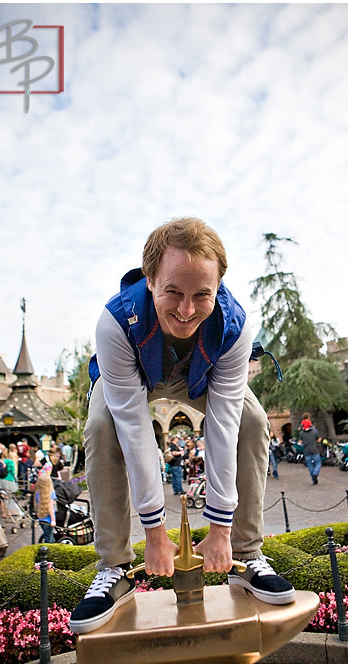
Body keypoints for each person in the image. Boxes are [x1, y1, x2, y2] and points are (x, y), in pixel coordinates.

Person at [69, 216, 295, 635]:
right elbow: (135, 430)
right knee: (101, 425)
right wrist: (155, 534)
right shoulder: (115, 323)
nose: (186, 310)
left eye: (201, 295)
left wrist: (220, 529)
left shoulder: (235, 326)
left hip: (200, 379)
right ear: (151, 279)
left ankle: (245, 552)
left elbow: (224, 425)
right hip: (136, 375)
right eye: (173, 291)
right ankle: (113, 568)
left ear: (219, 287)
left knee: (252, 417)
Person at [35, 465, 57, 543]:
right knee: (49, 539)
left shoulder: (37, 493)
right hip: (48, 519)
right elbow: (50, 507)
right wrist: (53, 520)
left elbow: (37, 505)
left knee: (48, 535)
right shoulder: (51, 493)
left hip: (41, 518)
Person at [299, 414, 321, 485]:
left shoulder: (301, 433)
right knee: (318, 463)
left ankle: (314, 480)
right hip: (314, 449)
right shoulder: (314, 431)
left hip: (306, 451)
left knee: (310, 465)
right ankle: (315, 473)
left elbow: (300, 442)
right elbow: (318, 440)